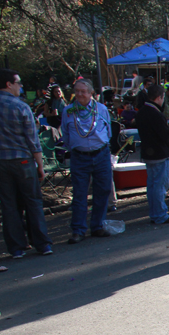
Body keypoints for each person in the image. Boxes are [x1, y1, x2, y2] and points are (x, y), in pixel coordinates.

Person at [0, 69, 53, 258]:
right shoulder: (20, 106)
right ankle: (42, 244)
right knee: (33, 201)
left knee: (8, 204)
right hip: (22, 159)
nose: (21, 86)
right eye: (19, 83)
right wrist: (40, 165)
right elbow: (32, 140)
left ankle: (16, 247)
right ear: (9, 84)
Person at [61, 79, 112, 243]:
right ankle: (78, 230)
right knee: (80, 193)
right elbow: (66, 135)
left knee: (103, 190)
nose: (80, 95)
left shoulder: (101, 109)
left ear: (91, 93)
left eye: (83, 91)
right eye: (77, 91)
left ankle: (97, 226)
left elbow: (109, 132)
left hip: (101, 154)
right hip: (79, 156)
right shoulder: (68, 111)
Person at [135, 84, 169, 225]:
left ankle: (155, 213)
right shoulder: (155, 113)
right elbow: (165, 135)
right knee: (160, 186)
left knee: (153, 186)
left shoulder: (142, 111)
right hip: (160, 154)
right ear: (160, 97)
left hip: (149, 154)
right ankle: (160, 214)